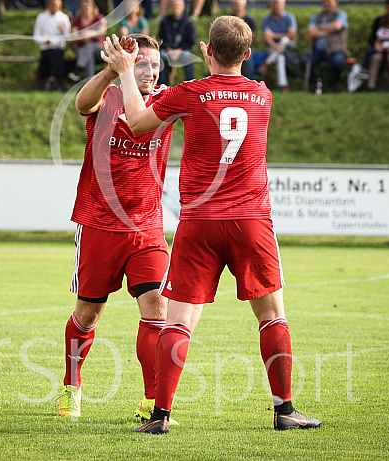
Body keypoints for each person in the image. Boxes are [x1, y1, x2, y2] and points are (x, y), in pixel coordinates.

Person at [101, 16, 321, 434]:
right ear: (249, 55)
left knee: (179, 321)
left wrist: (127, 72)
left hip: (200, 222)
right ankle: (285, 410)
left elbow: (137, 121)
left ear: (206, 50)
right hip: (252, 221)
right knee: (272, 315)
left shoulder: (189, 93)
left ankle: (160, 416)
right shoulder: (262, 94)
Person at [57, 34, 178, 423]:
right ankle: (71, 386)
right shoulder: (106, 96)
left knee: (156, 309)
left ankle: (151, 400)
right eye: (141, 63)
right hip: (99, 223)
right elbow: (81, 104)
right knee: (88, 314)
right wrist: (113, 68)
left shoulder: (166, 100)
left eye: (154, 65)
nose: (149, 71)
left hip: (147, 227)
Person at [300, 0, 348, 93]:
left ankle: (335, 81)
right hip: (318, 50)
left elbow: (338, 26)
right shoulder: (316, 16)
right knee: (304, 61)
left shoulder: (341, 14)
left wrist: (320, 28)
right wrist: (330, 30)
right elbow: (311, 31)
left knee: (338, 62)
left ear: (335, 3)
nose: (327, 3)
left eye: (329, 1)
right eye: (325, 1)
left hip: (335, 49)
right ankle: (314, 82)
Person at [33, 0, 71, 91]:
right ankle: (58, 83)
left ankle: (51, 80)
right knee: (56, 58)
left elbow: (68, 37)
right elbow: (36, 37)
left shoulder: (63, 18)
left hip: (58, 48)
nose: (55, 8)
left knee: (56, 55)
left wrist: (63, 31)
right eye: (53, 5)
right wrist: (46, 41)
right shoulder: (41, 17)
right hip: (46, 48)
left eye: (57, 6)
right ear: (48, 5)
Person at [261, 0, 298, 92]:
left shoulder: (290, 17)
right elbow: (267, 37)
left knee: (285, 40)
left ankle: (267, 62)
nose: (277, 6)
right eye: (274, 3)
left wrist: (274, 35)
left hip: (288, 49)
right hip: (273, 48)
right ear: (271, 5)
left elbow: (292, 35)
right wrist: (276, 46)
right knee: (280, 57)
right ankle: (283, 85)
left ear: (283, 5)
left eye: (279, 4)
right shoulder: (266, 19)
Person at [158, 0, 197, 85]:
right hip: (167, 50)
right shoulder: (165, 21)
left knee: (188, 56)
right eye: (174, 6)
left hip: (182, 50)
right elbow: (160, 38)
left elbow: (191, 40)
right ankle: (160, 85)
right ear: (170, 7)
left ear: (183, 7)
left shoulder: (188, 22)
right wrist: (168, 48)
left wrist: (180, 49)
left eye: (178, 6)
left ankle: (191, 84)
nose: (176, 8)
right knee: (160, 57)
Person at [68, 0, 107, 82]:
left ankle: (78, 69)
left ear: (92, 7)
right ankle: (90, 81)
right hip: (81, 50)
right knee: (89, 54)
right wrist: (84, 37)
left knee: (89, 46)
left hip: (99, 50)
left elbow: (102, 32)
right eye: (83, 7)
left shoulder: (99, 18)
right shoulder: (76, 20)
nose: (86, 9)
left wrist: (89, 34)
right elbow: (74, 36)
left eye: (88, 6)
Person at [366, 14, 389, 92]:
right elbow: (377, 40)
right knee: (373, 56)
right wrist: (378, 47)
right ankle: (370, 84)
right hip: (380, 50)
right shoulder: (381, 30)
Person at [230, 0, 257, 80]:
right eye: (233, 4)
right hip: (230, 47)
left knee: (249, 61)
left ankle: (249, 82)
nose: (235, 7)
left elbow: (251, 39)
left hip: (246, 47)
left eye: (237, 4)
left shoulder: (250, 20)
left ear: (244, 6)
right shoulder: (228, 19)